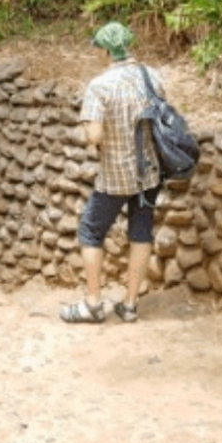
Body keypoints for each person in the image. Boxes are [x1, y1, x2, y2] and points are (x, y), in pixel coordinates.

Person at [61, 21, 165, 324]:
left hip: (116, 175)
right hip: (149, 174)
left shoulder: (100, 86)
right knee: (141, 232)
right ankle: (130, 305)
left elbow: (93, 136)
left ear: (106, 50)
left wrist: (100, 132)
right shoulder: (152, 77)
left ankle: (93, 304)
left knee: (90, 231)